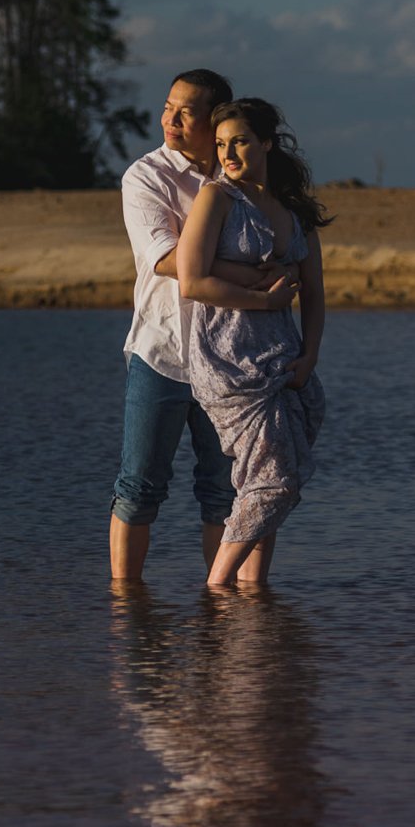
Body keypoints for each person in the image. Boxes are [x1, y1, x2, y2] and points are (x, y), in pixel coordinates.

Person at [110, 67, 292, 591]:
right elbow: (167, 260)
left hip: (235, 359)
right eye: (168, 106)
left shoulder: (240, 173)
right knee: (139, 486)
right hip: (163, 352)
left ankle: (234, 608)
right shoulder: (146, 176)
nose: (170, 118)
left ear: (212, 118)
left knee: (227, 489)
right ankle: (127, 609)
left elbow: (285, 243)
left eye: (186, 111)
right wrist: (256, 279)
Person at [175, 95, 330, 592]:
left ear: (265, 141)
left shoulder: (293, 212)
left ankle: (253, 592)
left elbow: (315, 296)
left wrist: (310, 355)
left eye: (239, 141)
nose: (228, 154)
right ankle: (218, 590)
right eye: (220, 144)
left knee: (260, 486)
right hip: (229, 361)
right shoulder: (217, 198)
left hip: (285, 360)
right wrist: (264, 300)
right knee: (273, 482)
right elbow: (191, 281)